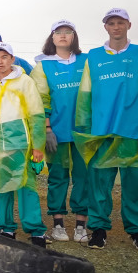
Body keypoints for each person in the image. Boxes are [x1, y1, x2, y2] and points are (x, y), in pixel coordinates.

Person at [75, 8, 138, 251]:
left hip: (132, 131)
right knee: (100, 184)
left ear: (128, 25)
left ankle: (137, 231)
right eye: (111, 23)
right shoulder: (95, 57)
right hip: (102, 131)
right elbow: (85, 94)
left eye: (120, 22)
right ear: (106, 27)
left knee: (134, 184)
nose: (116, 27)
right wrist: (85, 128)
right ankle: (99, 230)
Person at [0, 43, 48, 246]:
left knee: (27, 187)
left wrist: (38, 148)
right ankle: (6, 228)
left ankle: (36, 230)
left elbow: (36, 115)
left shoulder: (25, 82)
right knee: (2, 187)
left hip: (22, 146)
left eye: (4, 57)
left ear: (12, 59)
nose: (0, 61)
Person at [31, 21, 91, 243]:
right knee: (58, 178)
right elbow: (41, 100)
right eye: (59, 32)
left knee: (83, 177)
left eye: (68, 32)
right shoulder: (43, 65)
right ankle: (58, 224)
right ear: (52, 38)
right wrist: (47, 129)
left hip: (84, 133)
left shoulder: (86, 61)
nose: (63, 36)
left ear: (74, 37)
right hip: (56, 131)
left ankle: (80, 226)